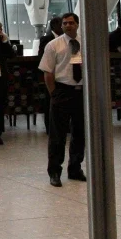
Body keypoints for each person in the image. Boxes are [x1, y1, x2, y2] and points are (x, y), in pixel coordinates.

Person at [39, 12, 85, 187]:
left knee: (80, 133)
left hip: (81, 91)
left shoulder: (85, 43)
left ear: (77, 24)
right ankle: (54, 172)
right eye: (65, 23)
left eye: (71, 23)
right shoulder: (53, 45)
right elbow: (48, 72)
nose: (68, 26)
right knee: (58, 135)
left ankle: (75, 168)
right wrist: (54, 94)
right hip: (62, 90)